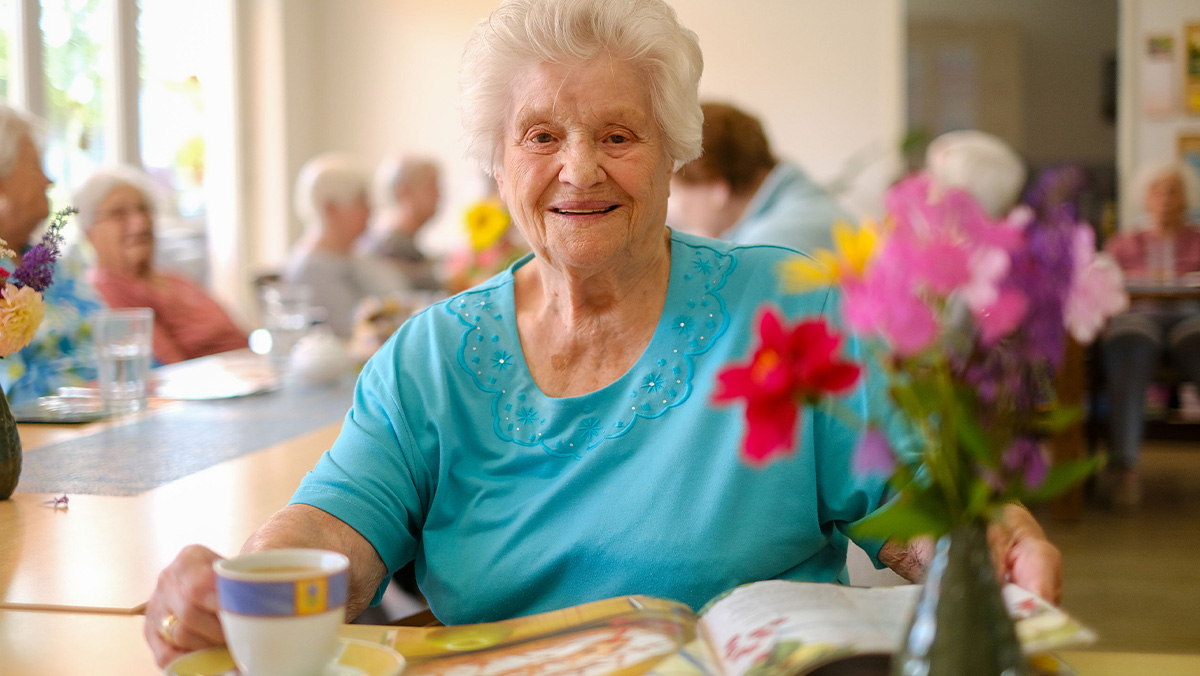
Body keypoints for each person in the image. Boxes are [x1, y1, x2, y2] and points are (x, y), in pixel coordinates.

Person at [144, 0, 1062, 666]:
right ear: (499, 162)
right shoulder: (427, 358)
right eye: (540, 136)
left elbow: (906, 512)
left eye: (617, 135)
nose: (578, 170)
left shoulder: (787, 308)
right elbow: (338, 528)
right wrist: (239, 582)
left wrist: (985, 540)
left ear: (673, 153)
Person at [1099, 162, 1200, 510]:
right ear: (1145, 198)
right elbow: (1104, 288)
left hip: (1190, 319)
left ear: (1187, 197)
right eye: (1158, 190)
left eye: (1174, 190)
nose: (1166, 198)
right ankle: (1124, 467)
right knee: (1129, 340)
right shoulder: (1123, 242)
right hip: (1138, 320)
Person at [74, 165, 248, 365]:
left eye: (144, 210)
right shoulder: (107, 286)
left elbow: (236, 334)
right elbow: (170, 368)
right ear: (89, 232)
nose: (140, 223)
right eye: (119, 214)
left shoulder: (174, 278)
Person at [0, 102, 105, 405]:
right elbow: (11, 394)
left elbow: (113, 340)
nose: (50, 180)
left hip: (105, 415)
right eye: (35, 165)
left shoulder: (53, 265)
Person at [667, 101, 850, 253]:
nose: (675, 210)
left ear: (719, 190)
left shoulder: (765, 245)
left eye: (676, 192)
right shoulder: (807, 205)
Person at [283, 154, 408, 338]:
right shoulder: (311, 268)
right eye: (362, 201)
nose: (371, 210)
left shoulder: (358, 254)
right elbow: (348, 333)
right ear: (331, 208)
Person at [359, 155, 443, 291]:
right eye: (431, 186)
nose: (439, 195)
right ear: (404, 192)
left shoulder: (400, 241)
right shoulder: (388, 246)